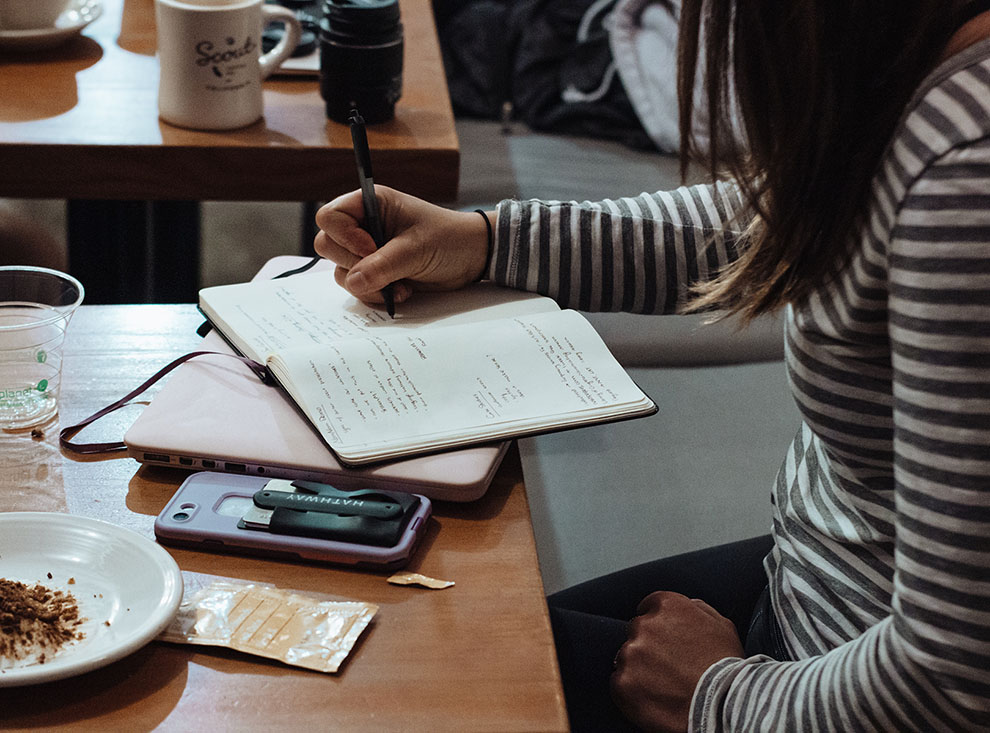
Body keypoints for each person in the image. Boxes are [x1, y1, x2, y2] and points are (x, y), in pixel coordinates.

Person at [313, 1, 990, 729]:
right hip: (816, 585)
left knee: (437, 680)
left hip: (838, 680)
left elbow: (950, 677)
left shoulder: (964, 176)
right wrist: (489, 242)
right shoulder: (922, 67)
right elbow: (786, 218)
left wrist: (717, 698)